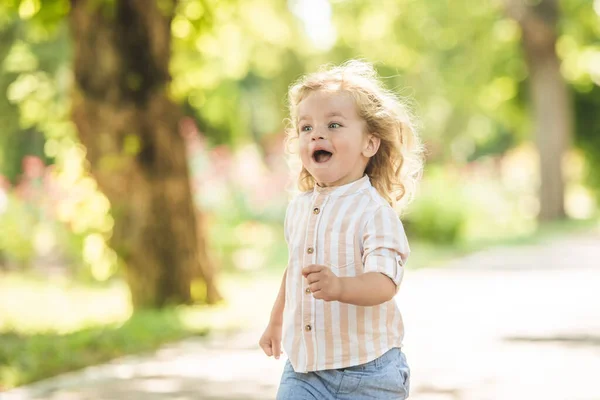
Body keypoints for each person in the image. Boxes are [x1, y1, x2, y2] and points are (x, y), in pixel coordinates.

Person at [259, 60, 424, 399]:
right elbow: (294, 272)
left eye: (334, 124)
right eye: (306, 128)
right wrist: (276, 322)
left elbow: (384, 283)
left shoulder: (374, 212)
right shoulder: (300, 207)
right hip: (305, 371)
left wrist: (339, 286)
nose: (317, 134)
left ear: (370, 144)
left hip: (370, 371)